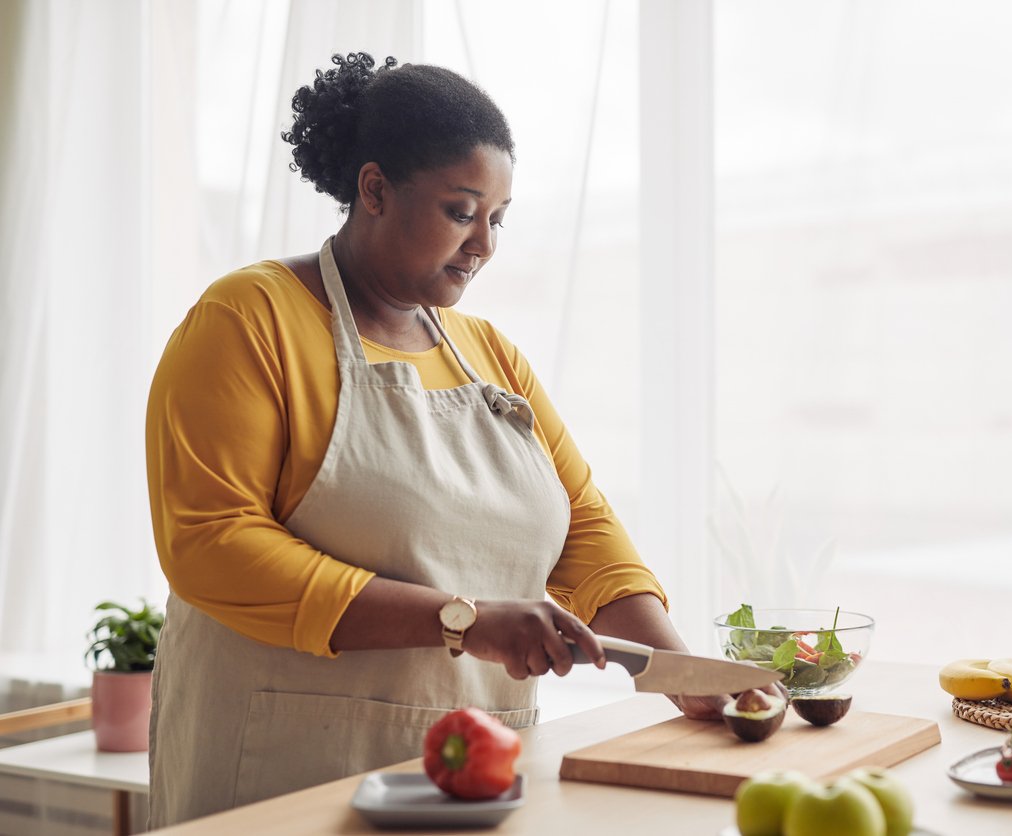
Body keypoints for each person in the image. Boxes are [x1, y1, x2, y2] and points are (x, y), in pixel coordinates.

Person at [144, 53, 748, 826]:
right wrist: (462, 619)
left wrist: (674, 668)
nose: (485, 244)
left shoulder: (489, 352)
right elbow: (211, 543)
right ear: (374, 189)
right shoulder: (247, 320)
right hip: (280, 768)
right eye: (462, 212)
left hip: (471, 776)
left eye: (498, 219)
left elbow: (582, 526)